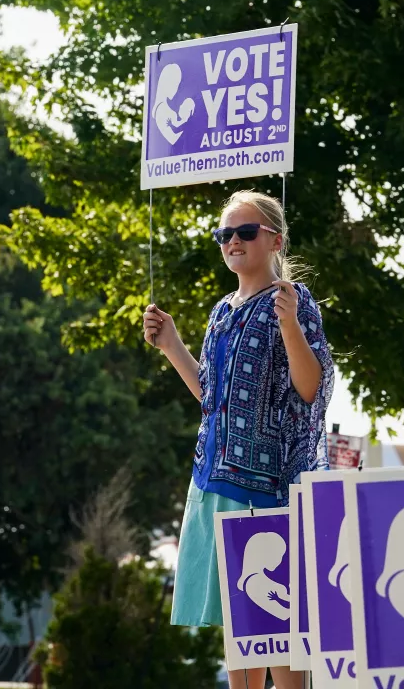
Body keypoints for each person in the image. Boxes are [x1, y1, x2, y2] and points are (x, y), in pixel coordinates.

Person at [143, 190, 334, 689]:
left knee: (275, 627)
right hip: (212, 480)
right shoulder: (221, 310)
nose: (233, 241)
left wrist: (290, 325)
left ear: (275, 240)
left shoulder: (293, 301)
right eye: (224, 234)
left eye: (245, 231)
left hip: (265, 487)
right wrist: (172, 344)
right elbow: (211, 396)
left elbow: (311, 389)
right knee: (237, 628)